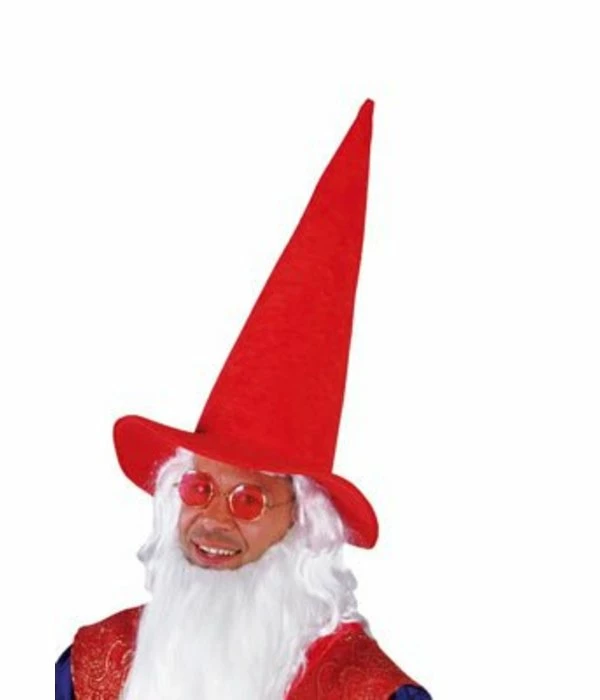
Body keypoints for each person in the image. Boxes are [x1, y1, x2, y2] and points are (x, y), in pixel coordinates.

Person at [55, 100, 431, 700]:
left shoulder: (366, 691)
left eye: (249, 500)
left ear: (302, 522)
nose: (214, 521)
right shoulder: (96, 664)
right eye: (199, 488)